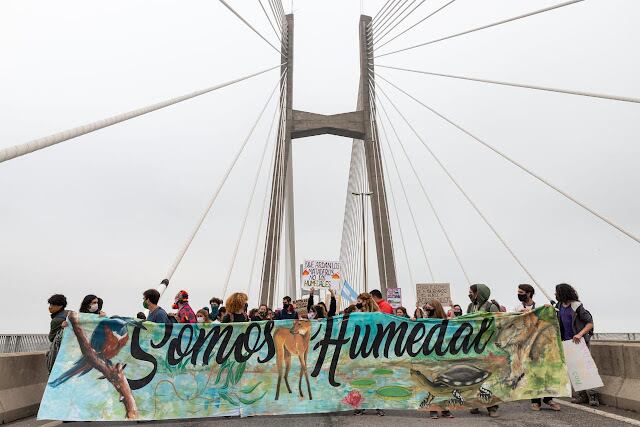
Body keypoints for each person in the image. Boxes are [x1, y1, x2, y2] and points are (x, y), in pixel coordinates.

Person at [555, 283, 598, 407]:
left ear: (563, 293)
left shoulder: (577, 306)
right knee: (575, 371)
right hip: (566, 343)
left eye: (557, 292)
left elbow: (590, 323)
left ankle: (593, 396)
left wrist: (579, 334)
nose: (555, 294)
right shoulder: (558, 306)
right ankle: (582, 396)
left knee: (585, 369)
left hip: (579, 342)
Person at [467, 284, 500, 417]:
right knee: (474, 376)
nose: (469, 294)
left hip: (488, 346)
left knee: (489, 377)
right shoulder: (471, 307)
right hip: (473, 347)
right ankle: (476, 403)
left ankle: (492, 407)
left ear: (478, 293)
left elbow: (498, 324)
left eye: (471, 292)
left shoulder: (491, 306)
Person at [354, 292, 384, 416]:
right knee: (361, 377)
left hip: (374, 349)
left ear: (365, 301)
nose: (358, 303)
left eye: (360, 301)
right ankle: (361, 405)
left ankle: (378, 405)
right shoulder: (358, 314)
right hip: (361, 349)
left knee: (376, 377)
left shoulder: (377, 314)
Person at [425, 299, 454, 419]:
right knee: (432, 381)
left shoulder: (447, 322)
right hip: (430, 355)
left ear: (435, 308)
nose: (427, 309)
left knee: (445, 382)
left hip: (444, 356)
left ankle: (445, 408)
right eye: (426, 307)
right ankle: (433, 409)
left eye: (429, 307)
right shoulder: (425, 321)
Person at [46, 294, 68, 372]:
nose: (50, 307)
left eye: (53, 305)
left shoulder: (57, 320)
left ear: (60, 306)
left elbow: (51, 338)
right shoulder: (70, 314)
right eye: (50, 304)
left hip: (60, 352)